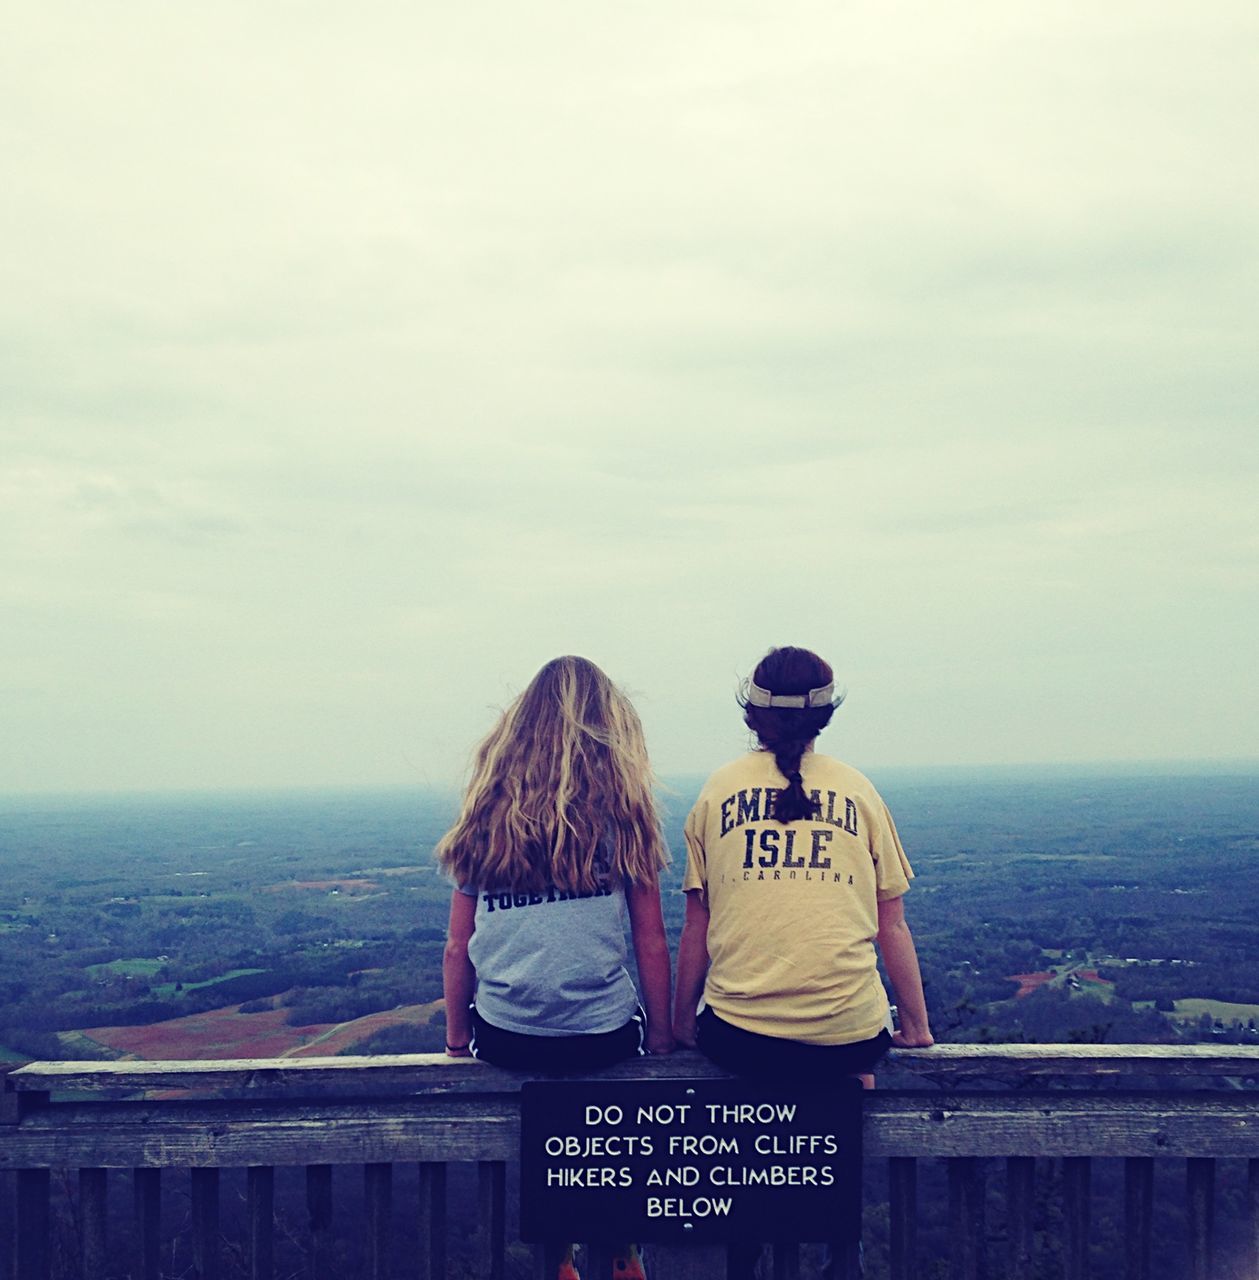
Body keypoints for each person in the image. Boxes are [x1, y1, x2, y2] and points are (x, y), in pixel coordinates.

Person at [437, 655, 673, 1280]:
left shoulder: (485, 819)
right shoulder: (625, 814)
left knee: (546, 1122)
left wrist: (459, 1039)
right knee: (611, 1119)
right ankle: (624, 1250)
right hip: (605, 1035)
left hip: (506, 1035)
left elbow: (458, 946)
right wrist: (665, 1033)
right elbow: (651, 940)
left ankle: (558, 1256)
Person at [673, 644, 933, 1079]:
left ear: (752, 715)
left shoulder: (717, 791)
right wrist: (918, 1027)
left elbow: (696, 925)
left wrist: (680, 1022)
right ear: (824, 715)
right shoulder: (858, 791)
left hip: (738, 1039)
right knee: (856, 1069)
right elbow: (892, 925)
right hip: (851, 1039)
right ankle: (844, 1141)